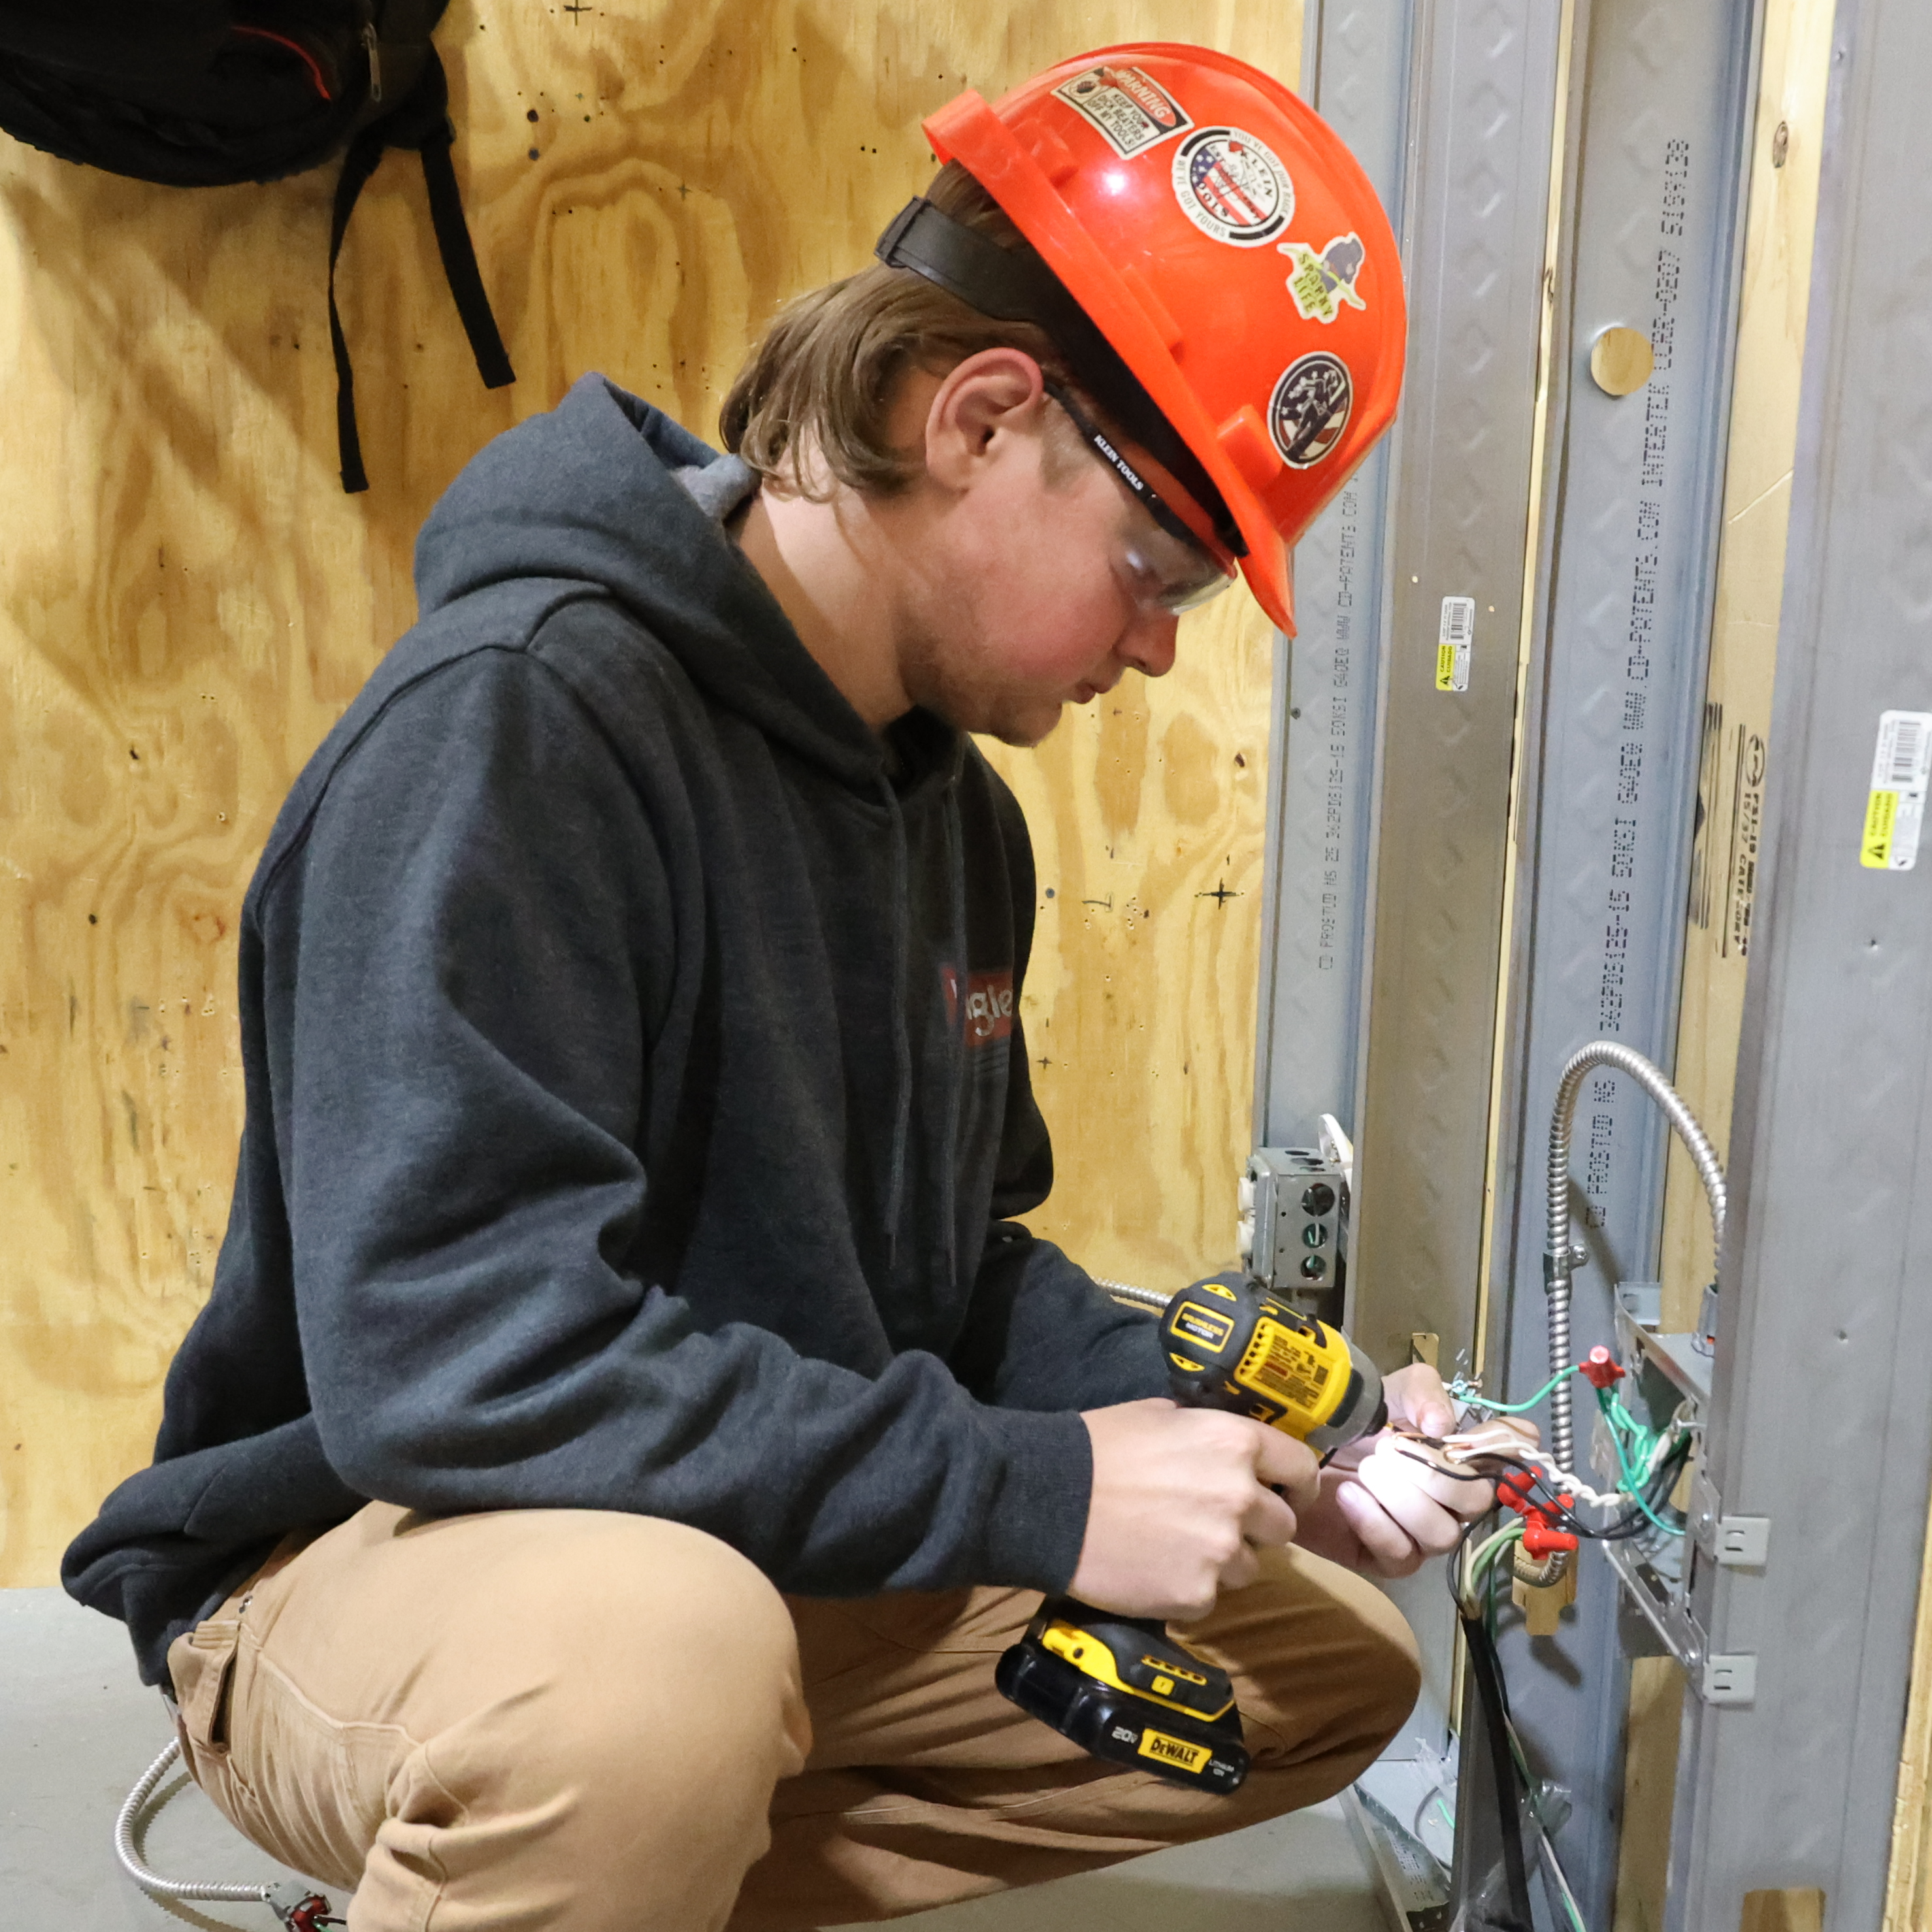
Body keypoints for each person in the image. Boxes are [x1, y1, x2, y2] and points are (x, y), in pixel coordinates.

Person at [65, 44, 1501, 1932]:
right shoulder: (522, 721)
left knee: (1307, 1657)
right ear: (981, 420)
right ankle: (562, 1813)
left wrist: (1264, 1437)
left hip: (704, 1540)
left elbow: (953, 1278)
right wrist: (1038, 1493)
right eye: (1158, 564)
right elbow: (459, 1361)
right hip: (365, 1554)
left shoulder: (950, 824)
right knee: (652, 1677)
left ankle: (576, 1875)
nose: (1156, 645)